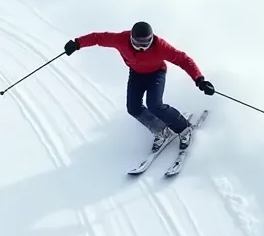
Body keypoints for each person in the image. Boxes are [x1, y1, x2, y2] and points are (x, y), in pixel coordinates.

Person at [63, 21, 215, 151]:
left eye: (145, 44)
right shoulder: (120, 39)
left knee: (154, 105)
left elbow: (183, 59)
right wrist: (77, 43)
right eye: (138, 43)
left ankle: (184, 128)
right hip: (136, 73)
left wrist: (199, 80)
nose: (141, 47)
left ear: (151, 39)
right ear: (131, 38)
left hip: (156, 73)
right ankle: (160, 130)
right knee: (133, 108)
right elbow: (98, 38)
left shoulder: (160, 46)